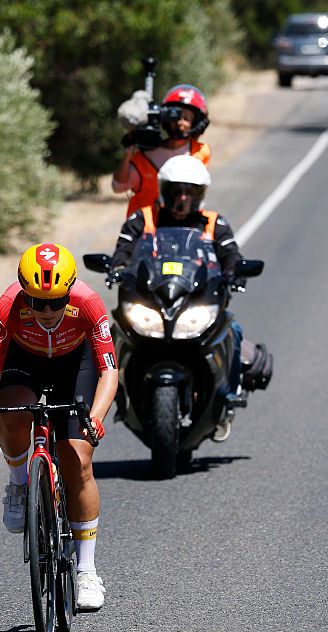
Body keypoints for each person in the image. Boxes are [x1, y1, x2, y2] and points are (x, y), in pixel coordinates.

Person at [0, 243, 118, 611]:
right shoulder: (8, 306)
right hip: (26, 362)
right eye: (38, 302)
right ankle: (20, 483)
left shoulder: (88, 303)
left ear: (69, 291)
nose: (48, 311)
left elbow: (109, 371)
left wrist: (95, 418)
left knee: (77, 457)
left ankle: (86, 571)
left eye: (56, 301)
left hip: (75, 366)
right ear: (25, 294)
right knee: (12, 409)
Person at [110, 155, 272, 441]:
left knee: (232, 330)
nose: (182, 198)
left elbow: (231, 256)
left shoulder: (214, 223)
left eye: (190, 192)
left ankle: (229, 398)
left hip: (197, 300)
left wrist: (236, 272)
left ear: (201, 194)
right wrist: (116, 268)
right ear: (164, 190)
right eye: (176, 190)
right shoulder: (143, 218)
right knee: (111, 334)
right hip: (153, 299)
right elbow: (123, 252)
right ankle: (106, 396)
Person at [112, 84, 212, 218]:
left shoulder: (200, 153)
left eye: (187, 118)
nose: (180, 123)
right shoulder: (145, 156)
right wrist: (128, 149)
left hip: (181, 230)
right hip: (144, 231)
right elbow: (119, 186)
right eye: (175, 116)